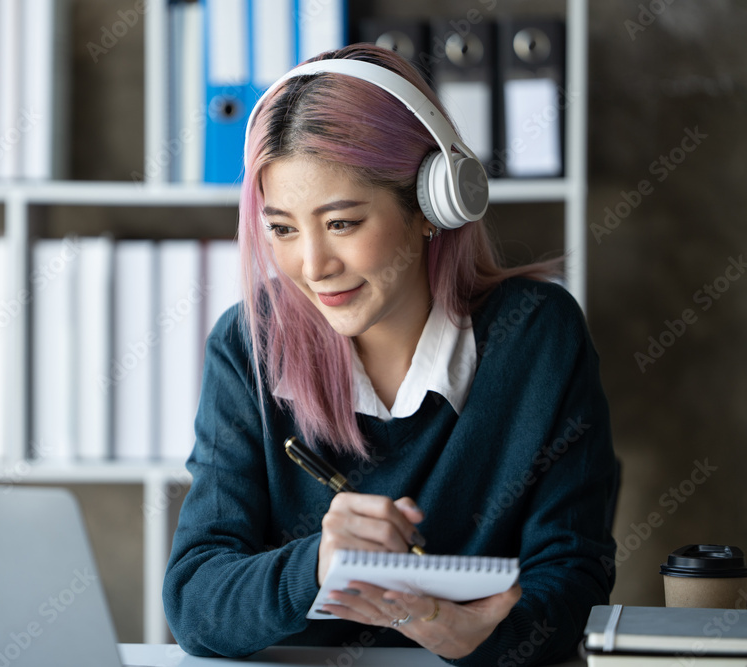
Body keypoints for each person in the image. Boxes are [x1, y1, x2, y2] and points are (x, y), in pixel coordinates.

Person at [162, 44, 616, 666]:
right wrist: (315, 563)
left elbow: (574, 578)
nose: (312, 266)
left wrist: (479, 636)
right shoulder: (251, 342)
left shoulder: (536, 335)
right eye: (283, 229)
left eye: (342, 222)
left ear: (431, 204)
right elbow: (193, 601)